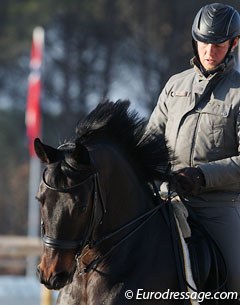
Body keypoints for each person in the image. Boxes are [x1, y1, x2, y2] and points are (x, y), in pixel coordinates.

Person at [146, 2, 240, 297]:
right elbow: (149, 141)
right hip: (165, 198)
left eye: (218, 44)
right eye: (203, 43)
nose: (209, 52)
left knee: (235, 278)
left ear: (234, 43)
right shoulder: (174, 86)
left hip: (215, 206)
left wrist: (201, 176)